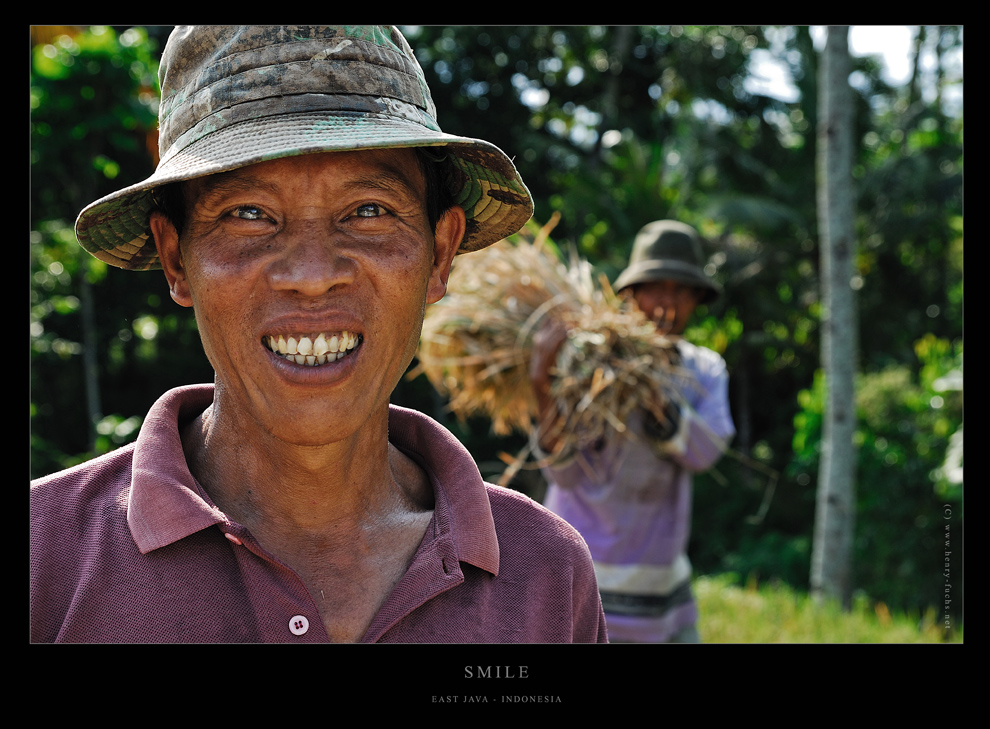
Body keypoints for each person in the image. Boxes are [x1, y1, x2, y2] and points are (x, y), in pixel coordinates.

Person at [30, 25, 607, 644]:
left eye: (368, 212)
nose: (311, 277)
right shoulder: (44, 563)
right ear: (177, 260)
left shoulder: (544, 572)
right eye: (248, 215)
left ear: (439, 255)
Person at [529, 220, 735, 643]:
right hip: (582, 572)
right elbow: (565, 473)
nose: (666, 303)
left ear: (696, 299)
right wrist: (541, 386)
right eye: (655, 287)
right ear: (632, 294)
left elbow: (705, 452)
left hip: (659, 584)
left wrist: (654, 392)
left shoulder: (703, 370)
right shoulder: (589, 366)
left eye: (680, 290)